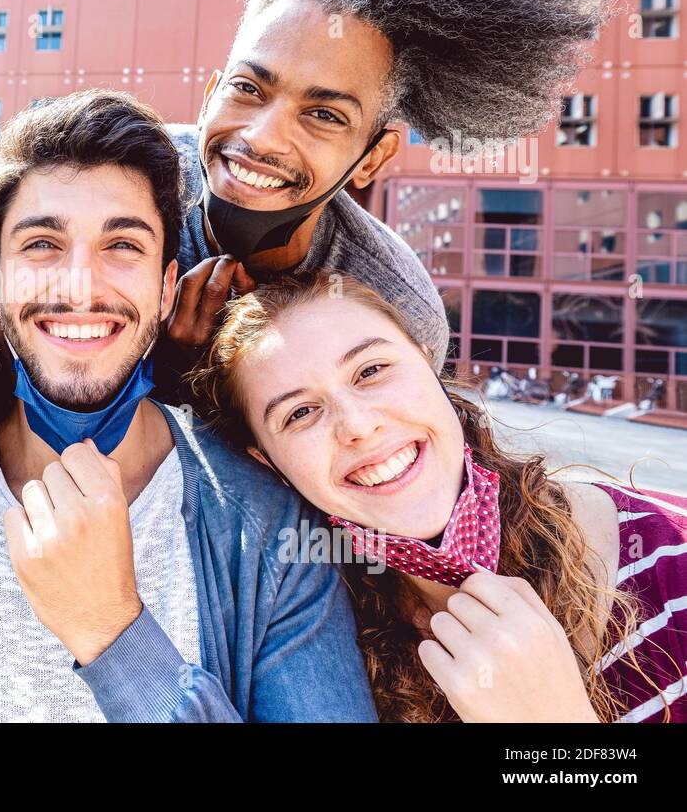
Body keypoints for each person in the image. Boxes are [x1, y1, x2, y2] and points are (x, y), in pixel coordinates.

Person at [0, 89, 378, 722]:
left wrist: (114, 635)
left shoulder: (270, 532)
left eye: (123, 246)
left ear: (164, 287)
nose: (79, 285)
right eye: (43, 244)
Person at [163, 0, 633, 385]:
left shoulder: (394, 311)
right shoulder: (119, 175)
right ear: (211, 93)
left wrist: (192, 374)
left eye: (324, 115)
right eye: (247, 88)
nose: (263, 136)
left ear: (373, 157)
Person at [190, 272, 686, 722]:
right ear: (268, 463)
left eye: (371, 370)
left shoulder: (669, 555)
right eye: (299, 414)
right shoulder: (306, 647)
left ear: (430, 364)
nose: (360, 427)